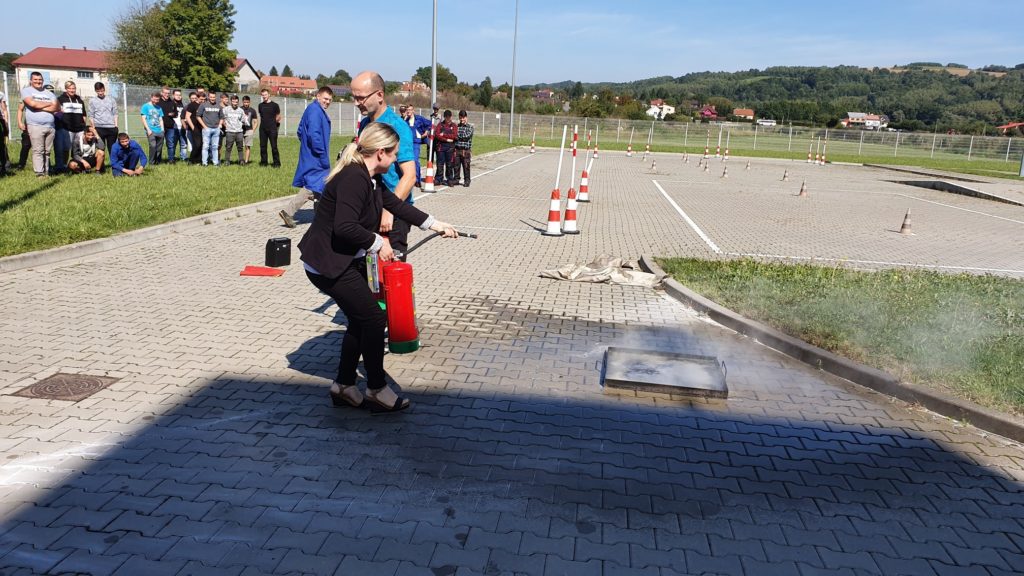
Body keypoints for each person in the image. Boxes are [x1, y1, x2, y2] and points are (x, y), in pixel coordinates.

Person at [297, 122, 459, 412]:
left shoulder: (370, 178)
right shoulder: (353, 178)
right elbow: (344, 227)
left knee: (360, 320)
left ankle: (344, 386)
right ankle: (376, 388)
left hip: (343, 260)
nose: (396, 159)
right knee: (373, 319)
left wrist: (435, 224)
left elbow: (397, 206)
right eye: (394, 153)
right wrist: (377, 243)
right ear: (381, 153)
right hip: (328, 264)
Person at [351, 72, 418, 260]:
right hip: (370, 210)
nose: (356, 103)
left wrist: (390, 211)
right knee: (367, 268)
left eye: (361, 98)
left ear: (379, 95)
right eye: (354, 97)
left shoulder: (396, 127)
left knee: (390, 270)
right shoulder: (366, 124)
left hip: (392, 216)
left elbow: (410, 176)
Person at [280, 86, 332, 227]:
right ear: (318, 96)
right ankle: (288, 211)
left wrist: (305, 145)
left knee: (320, 185)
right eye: (325, 99)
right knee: (313, 184)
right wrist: (321, 154)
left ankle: (321, 216)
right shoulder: (316, 111)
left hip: (310, 153)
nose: (327, 102)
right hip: (316, 156)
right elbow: (314, 135)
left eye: (330, 100)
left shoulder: (311, 109)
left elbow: (300, 130)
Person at [21, 71, 59, 177]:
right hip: (35, 125)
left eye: (40, 80)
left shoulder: (49, 93)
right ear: (31, 81)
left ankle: (46, 171)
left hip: (50, 126)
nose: (38, 81)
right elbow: (33, 104)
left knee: (47, 151)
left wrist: (40, 106)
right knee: (38, 150)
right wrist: (49, 104)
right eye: (35, 80)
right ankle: (39, 173)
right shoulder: (26, 91)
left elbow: (57, 107)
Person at [55, 80, 87, 173]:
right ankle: (63, 166)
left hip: (79, 129)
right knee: (66, 149)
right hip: (66, 129)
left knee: (78, 149)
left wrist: (83, 124)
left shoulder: (79, 100)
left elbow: (84, 114)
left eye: (73, 88)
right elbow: (56, 112)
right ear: (66, 89)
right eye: (70, 88)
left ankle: (77, 166)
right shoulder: (60, 99)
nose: (72, 90)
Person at [400, 105, 433, 186]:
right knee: (406, 161)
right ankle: (408, 178)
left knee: (415, 160)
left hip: (416, 142)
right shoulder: (405, 120)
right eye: (407, 110)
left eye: (410, 110)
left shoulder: (419, 119)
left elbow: (430, 123)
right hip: (407, 143)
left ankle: (417, 180)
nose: (408, 111)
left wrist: (426, 132)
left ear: (413, 111)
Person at [88, 82, 118, 154]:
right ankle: (100, 161)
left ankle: (113, 161)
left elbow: (115, 113)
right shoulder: (92, 101)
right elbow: (91, 115)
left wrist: (116, 126)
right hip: (99, 128)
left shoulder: (111, 100)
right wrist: (93, 127)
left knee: (112, 149)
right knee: (100, 149)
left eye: (102, 91)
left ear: (104, 89)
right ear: (95, 91)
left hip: (111, 127)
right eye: (98, 91)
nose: (100, 93)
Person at [196, 92, 223, 166]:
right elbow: (198, 116)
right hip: (207, 129)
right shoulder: (203, 105)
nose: (212, 99)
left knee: (215, 147)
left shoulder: (219, 106)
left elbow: (222, 117)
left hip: (216, 129)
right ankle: (204, 163)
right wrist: (204, 126)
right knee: (205, 146)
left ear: (215, 97)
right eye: (211, 97)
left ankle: (215, 163)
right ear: (208, 97)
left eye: (213, 97)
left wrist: (219, 125)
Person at [433, 109, 458, 187]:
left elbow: (454, 136)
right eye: (446, 117)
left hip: (450, 148)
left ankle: (450, 179)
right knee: (440, 164)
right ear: (444, 117)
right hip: (441, 148)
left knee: (449, 164)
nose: (447, 118)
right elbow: (437, 135)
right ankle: (438, 179)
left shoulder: (454, 126)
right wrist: (446, 139)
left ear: (451, 117)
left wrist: (443, 134)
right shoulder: (440, 125)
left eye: (449, 117)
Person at [257, 88, 281, 167]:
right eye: (263, 95)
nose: (264, 96)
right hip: (262, 129)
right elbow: (261, 116)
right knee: (263, 146)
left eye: (265, 95)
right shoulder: (260, 106)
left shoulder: (275, 105)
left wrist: (273, 124)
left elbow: (278, 117)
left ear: (269, 95)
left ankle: (276, 163)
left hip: (272, 129)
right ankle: (264, 162)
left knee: (274, 147)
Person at [140, 92, 165, 164]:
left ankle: (158, 161)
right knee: (153, 146)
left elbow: (160, 119)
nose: (156, 101)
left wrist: (162, 130)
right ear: (151, 98)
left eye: (157, 100)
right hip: (151, 130)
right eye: (155, 99)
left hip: (159, 130)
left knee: (159, 148)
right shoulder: (145, 106)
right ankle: (151, 162)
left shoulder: (159, 108)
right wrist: (148, 129)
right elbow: (143, 119)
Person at [157, 86, 179, 163]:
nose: (167, 95)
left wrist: (173, 114)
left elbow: (176, 114)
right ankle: (158, 160)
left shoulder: (172, 102)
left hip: (170, 127)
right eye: (165, 93)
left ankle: (171, 160)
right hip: (159, 127)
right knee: (159, 144)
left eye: (168, 93)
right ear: (161, 93)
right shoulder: (158, 102)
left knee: (170, 144)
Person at [222, 94, 246, 165]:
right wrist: (225, 125)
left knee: (240, 147)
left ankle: (241, 161)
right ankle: (227, 161)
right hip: (229, 132)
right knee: (228, 147)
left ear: (238, 102)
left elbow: (243, 120)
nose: (235, 103)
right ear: (231, 101)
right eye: (233, 101)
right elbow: (222, 118)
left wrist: (240, 125)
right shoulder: (225, 109)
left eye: (236, 102)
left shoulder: (241, 110)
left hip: (239, 132)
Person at [453, 110, 474, 187]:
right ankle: (456, 179)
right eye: (460, 117)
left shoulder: (470, 127)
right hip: (457, 149)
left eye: (463, 117)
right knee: (456, 166)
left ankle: (467, 180)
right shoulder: (456, 127)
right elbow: (454, 135)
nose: (462, 119)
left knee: (466, 166)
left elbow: (466, 137)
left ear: (466, 117)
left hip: (466, 150)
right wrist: (457, 136)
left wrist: (457, 136)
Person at [183, 92, 203, 165]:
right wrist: (193, 127)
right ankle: (191, 160)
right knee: (197, 144)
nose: (203, 100)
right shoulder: (192, 105)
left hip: (202, 127)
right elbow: (187, 117)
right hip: (195, 127)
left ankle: (199, 160)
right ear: (197, 97)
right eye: (201, 99)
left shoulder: (203, 105)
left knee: (201, 144)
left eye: (204, 99)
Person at [241, 95, 258, 165]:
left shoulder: (252, 110)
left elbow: (256, 122)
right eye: (245, 102)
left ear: (249, 102)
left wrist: (252, 130)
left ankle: (246, 161)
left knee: (247, 147)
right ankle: (241, 160)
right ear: (242, 102)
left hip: (249, 131)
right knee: (240, 147)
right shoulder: (239, 109)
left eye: (247, 102)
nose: (246, 104)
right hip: (240, 131)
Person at [0, 90, 9, 175]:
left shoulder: (1, 94)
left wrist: (6, 123)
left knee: (2, 146)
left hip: (1, 121)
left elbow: (4, 109)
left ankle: (4, 166)